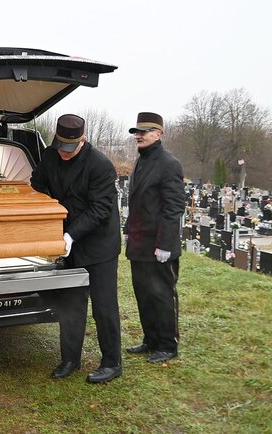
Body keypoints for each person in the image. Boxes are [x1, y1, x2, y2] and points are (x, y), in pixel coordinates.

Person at [30, 114, 122, 384]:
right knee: (71, 303)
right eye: (60, 146)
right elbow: (37, 183)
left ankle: (112, 363)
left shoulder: (101, 166)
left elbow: (100, 209)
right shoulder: (50, 156)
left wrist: (71, 234)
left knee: (104, 306)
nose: (64, 153)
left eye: (70, 148)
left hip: (99, 245)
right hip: (67, 243)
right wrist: (50, 212)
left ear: (83, 140)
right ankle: (70, 359)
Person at [124, 112, 185, 364]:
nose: (138, 136)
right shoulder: (141, 160)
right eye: (136, 132)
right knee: (144, 293)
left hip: (159, 244)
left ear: (158, 134)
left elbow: (174, 207)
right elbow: (138, 201)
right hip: (139, 243)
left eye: (144, 132)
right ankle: (150, 340)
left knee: (161, 294)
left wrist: (165, 245)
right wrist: (128, 229)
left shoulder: (169, 163)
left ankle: (168, 345)